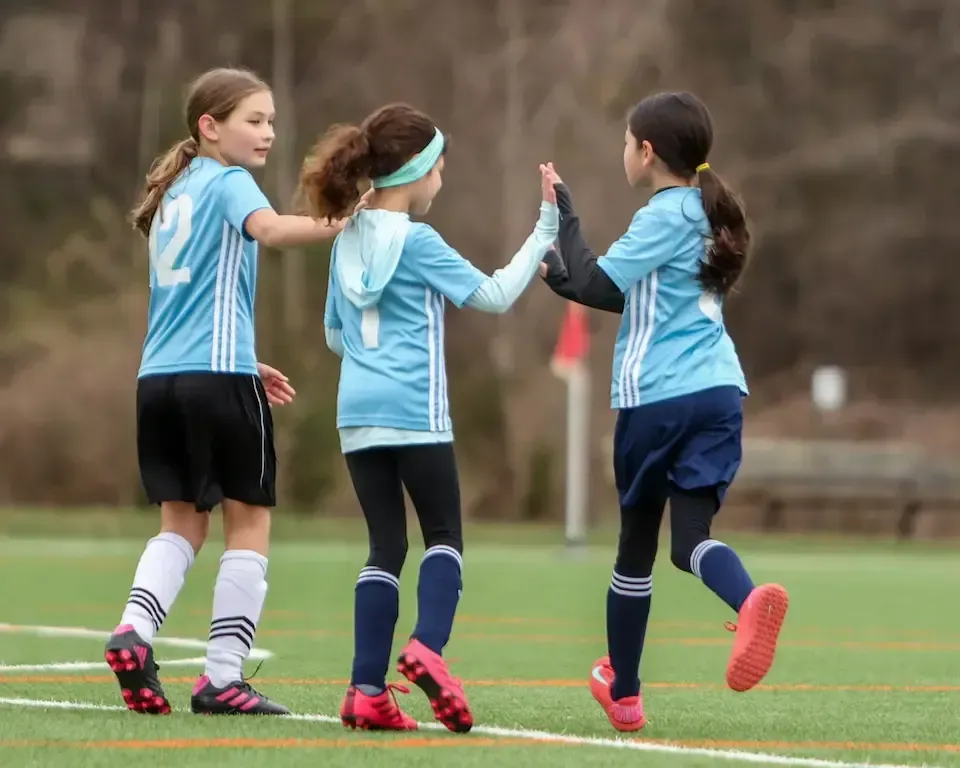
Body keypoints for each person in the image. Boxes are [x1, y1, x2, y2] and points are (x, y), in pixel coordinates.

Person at [104, 67, 358, 716]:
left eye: (271, 120)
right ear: (209, 126)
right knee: (248, 524)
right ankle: (221, 677)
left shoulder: (174, 190)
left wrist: (246, 359)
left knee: (180, 526)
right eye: (254, 119)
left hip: (159, 381)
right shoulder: (228, 181)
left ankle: (134, 631)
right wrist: (348, 222)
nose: (268, 131)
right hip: (215, 382)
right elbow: (272, 232)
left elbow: (193, 305)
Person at [298, 103, 559, 733]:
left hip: (356, 416)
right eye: (440, 168)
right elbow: (494, 296)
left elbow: (335, 335)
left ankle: (365, 691)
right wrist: (546, 227)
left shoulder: (345, 235)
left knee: (385, 547)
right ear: (417, 171)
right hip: (417, 412)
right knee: (444, 537)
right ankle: (427, 650)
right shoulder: (418, 242)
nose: (442, 179)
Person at [539, 91, 789, 732]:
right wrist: (567, 275)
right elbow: (643, 301)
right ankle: (750, 597)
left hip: (658, 399)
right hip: (719, 395)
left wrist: (565, 218)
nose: (623, 151)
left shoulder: (664, 214)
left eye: (626, 142)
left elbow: (596, 283)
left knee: (635, 550)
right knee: (691, 543)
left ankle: (624, 694)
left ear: (647, 152)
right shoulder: (710, 213)